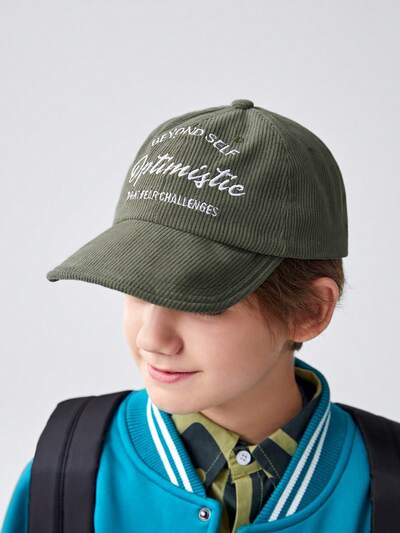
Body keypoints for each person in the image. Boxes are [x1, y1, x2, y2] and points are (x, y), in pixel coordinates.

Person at [1, 98, 390, 533]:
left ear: (310, 311)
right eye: (135, 288)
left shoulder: (386, 484)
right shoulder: (67, 471)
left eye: (200, 300)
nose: (152, 338)